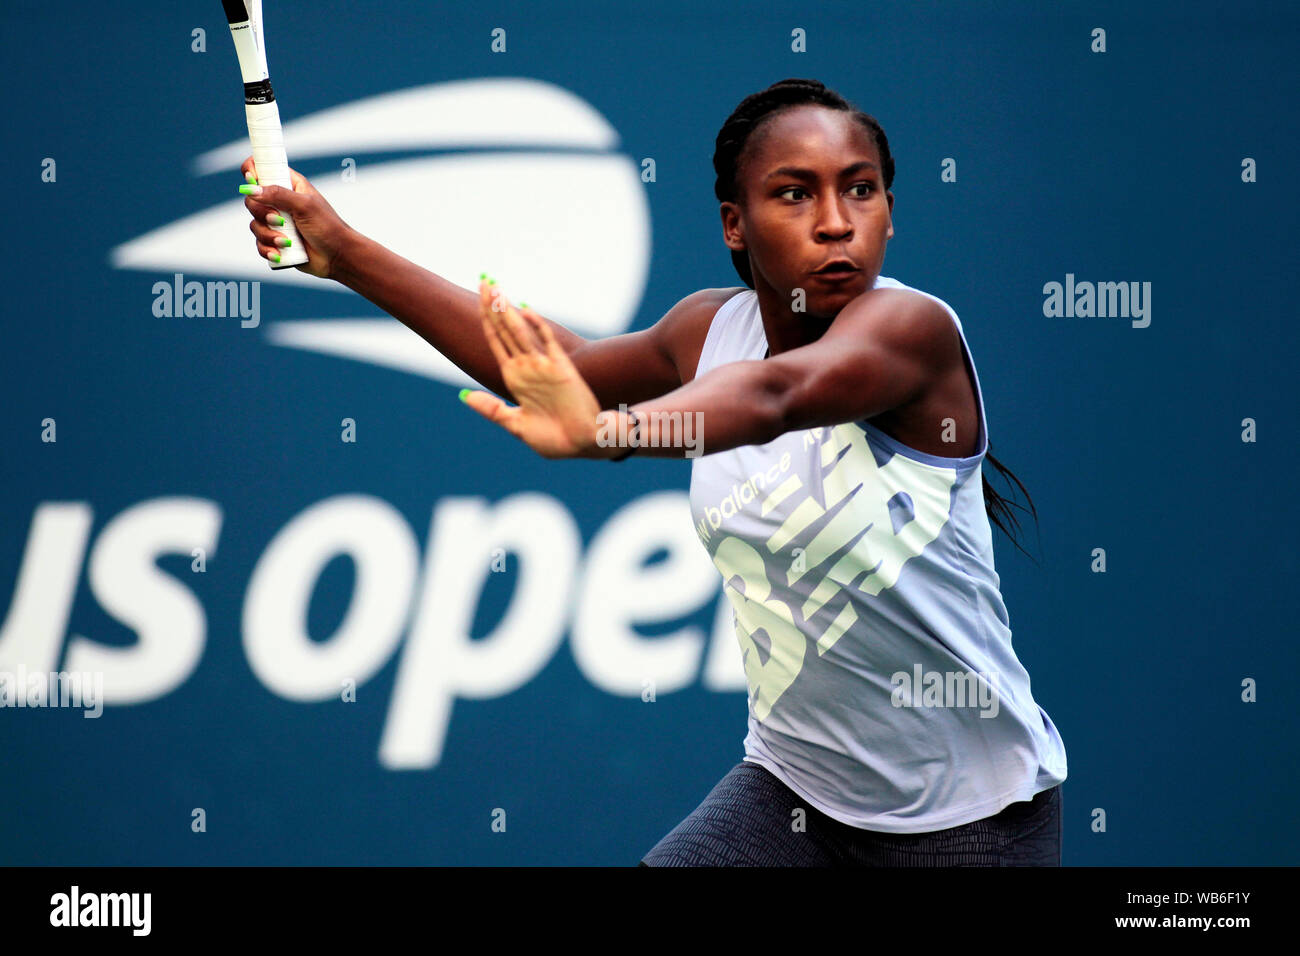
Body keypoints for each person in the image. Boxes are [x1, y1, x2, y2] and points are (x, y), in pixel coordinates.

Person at [239, 77, 1067, 867]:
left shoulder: (911, 330)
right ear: (733, 225)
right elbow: (561, 365)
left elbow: (778, 394)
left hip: (968, 824)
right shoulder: (707, 328)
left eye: (861, 190)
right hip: (795, 792)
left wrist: (610, 432)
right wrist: (344, 252)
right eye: (793, 193)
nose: (835, 222)